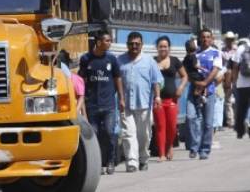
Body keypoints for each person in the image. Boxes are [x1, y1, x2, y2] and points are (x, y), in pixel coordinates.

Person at [79, 31, 124, 175]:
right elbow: (82, 81)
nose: (109, 43)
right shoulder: (86, 59)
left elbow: (118, 79)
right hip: (92, 105)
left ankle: (110, 161)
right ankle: (97, 164)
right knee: (94, 134)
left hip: (109, 105)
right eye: (107, 40)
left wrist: (121, 99)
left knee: (110, 133)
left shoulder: (112, 59)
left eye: (110, 40)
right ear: (98, 42)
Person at [118, 32, 163, 172]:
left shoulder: (149, 61)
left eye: (137, 44)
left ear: (141, 45)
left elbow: (156, 81)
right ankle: (132, 162)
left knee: (144, 135)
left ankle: (143, 158)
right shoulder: (119, 60)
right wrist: (119, 98)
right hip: (125, 104)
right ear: (127, 45)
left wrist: (157, 97)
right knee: (128, 133)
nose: (134, 46)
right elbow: (116, 80)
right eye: (131, 44)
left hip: (143, 103)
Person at [186, 28, 222, 159]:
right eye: (203, 37)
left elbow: (215, 70)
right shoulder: (194, 54)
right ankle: (194, 147)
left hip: (209, 91)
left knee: (207, 123)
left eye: (208, 37)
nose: (205, 39)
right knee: (191, 117)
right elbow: (187, 71)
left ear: (212, 39)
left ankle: (204, 149)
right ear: (199, 39)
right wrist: (196, 84)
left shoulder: (216, 53)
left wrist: (205, 83)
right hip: (194, 90)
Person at [153, 36, 187, 161]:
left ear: (169, 48)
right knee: (160, 127)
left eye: (165, 46)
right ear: (157, 48)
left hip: (172, 100)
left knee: (172, 127)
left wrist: (181, 88)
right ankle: (161, 153)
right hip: (158, 100)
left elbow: (185, 76)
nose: (163, 49)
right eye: (161, 46)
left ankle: (170, 146)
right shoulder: (153, 61)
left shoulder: (175, 61)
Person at [58, 49, 86, 117]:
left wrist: (76, 114)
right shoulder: (77, 79)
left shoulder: (76, 79)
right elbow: (81, 98)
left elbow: (81, 98)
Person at [221, 31, 238, 128]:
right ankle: (230, 121)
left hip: (236, 76)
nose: (229, 41)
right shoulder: (222, 51)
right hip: (226, 76)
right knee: (227, 100)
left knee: (238, 99)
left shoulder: (237, 50)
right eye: (228, 39)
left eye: (231, 40)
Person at [183, 39, 206, 105]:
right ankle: (202, 94)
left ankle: (198, 94)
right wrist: (202, 68)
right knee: (203, 79)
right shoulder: (193, 56)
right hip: (195, 74)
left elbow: (183, 65)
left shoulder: (186, 57)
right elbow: (195, 65)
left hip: (189, 74)